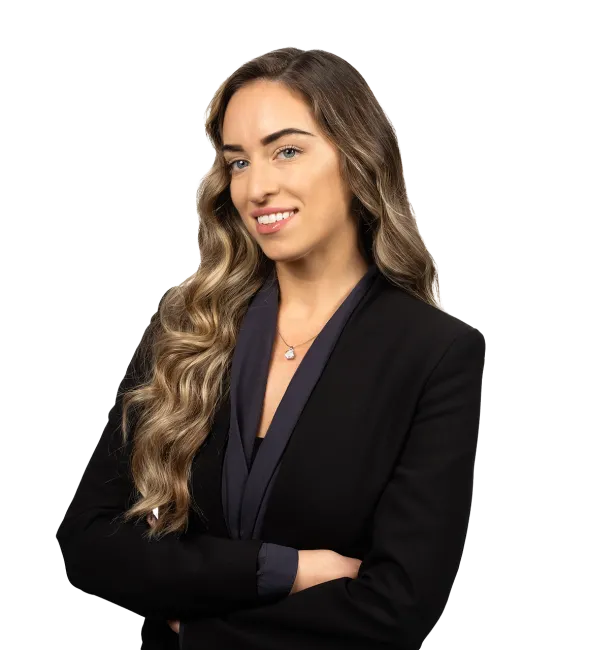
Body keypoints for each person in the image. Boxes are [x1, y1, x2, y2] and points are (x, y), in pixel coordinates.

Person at [56, 47, 485, 650]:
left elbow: (397, 610)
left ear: (357, 157)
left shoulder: (436, 353)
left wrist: (195, 629)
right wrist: (287, 569)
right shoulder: (190, 324)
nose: (256, 188)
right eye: (238, 162)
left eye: (287, 151)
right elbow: (89, 542)